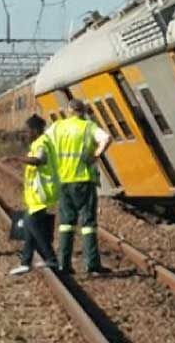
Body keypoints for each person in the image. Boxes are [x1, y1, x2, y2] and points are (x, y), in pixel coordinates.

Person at [47, 99, 112, 275]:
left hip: (63, 180)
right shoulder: (88, 127)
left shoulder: (57, 127)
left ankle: (63, 264)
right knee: (88, 223)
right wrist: (96, 155)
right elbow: (107, 138)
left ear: (68, 111)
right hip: (84, 180)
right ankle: (92, 264)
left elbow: (45, 144)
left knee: (66, 223)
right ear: (82, 111)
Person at [9, 114, 59, 275]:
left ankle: (51, 257)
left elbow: (39, 160)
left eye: (28, 130)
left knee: (31, 223)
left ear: (35, 130)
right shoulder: (38, 143)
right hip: (36, 194)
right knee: (30, 227)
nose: (26, 133)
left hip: (42, 192)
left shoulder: (42, 142)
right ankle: (26, 262)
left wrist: (20, 158)